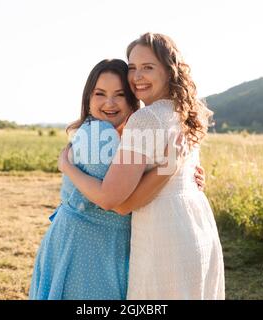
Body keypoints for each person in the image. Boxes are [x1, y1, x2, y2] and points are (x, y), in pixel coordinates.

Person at [58, 33, 225, 299]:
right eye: (133, 67)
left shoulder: (146, 119)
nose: (137, 76)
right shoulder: (186, 113)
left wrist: (66, 167)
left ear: (170, 70)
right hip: (198, 228)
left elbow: (117, 202)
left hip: (163, 234)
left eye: (148, 67)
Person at [29, 59, 205, 300]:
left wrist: (182, 177)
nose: (109, 103)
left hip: (98, 244)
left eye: (120, 95)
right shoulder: (99, 134)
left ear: (132, 99)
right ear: (88, 99)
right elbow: (113, 199)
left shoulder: (121, 134)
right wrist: (169, 168)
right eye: (100, 94)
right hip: (88, 248)